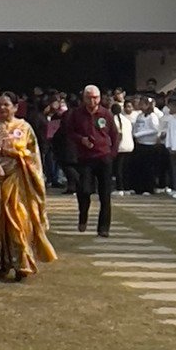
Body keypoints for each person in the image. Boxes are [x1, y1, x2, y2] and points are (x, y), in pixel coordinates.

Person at [0, 92, 57, 281]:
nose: (2, 108)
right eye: (0, 104)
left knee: (19, 220)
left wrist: (20, 155)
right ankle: (4, 262)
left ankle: (22, 263)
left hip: (20, 179)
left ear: (15, 107)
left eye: (7, 104)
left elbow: (33, 153)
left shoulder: (24, 127)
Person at [63, 85, 120, 238]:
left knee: (105, 195)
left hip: (104, 157)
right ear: (84, 98)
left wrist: (112, 154)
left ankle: (103, 228)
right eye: (89, 98)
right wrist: (81, 139)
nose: (92, 101)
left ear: (99, 98)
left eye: (95, 97)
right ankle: (83, 215)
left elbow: (115, 135)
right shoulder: (76, 114)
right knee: (84, 190)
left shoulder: (106, 114)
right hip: (85, 158)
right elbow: (69, 132)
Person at [130, 94, 163, 195]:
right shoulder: (140, 115)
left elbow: (155, 130)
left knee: (149, 168)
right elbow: (136, 126)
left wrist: (140, 134)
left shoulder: (152, 116)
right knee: (140, 167)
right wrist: (134, 134)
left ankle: (148, 188)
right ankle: (139, 187)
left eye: (142, 104)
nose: (140, 106)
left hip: (149, 145)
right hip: (140, 144)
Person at [111, 93, 135, 195]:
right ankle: (127, 188)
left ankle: (120, 188)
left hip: (120, 147)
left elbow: (118, 134)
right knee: (126, 168)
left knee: (119, 169)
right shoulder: (126, 119)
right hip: (129, 146)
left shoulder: (113, 120)